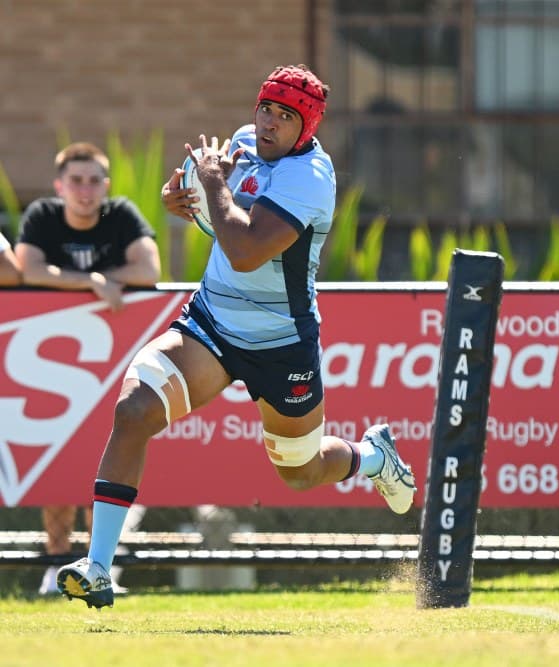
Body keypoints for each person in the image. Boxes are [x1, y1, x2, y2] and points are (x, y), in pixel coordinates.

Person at [55, 64, 417, 609]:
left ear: (309, 127)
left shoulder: (311, 178)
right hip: (214, 323)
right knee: (134, 410)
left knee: (300, 471)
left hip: (281, 341)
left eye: (285, 116)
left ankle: (371, 457)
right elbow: (204, 211)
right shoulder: (244, 144)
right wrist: (184, 200)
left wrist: (214, 185)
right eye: (265, 109)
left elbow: (246, 252)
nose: (268, 123)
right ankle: (100, 565)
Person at [15, 142, 160, 596]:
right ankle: (54, 567)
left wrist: (102, 282)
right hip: (49, 361)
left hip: (119, 357)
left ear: (106, 185)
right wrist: (95, 282)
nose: (85, 189)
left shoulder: (122, 215)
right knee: (58, 461)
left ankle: (103, 568)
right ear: (60, 186)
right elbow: (28, 271)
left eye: (93, 180)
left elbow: (150, 269)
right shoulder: (42, 215)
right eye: (75, 180)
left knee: (108, 458)